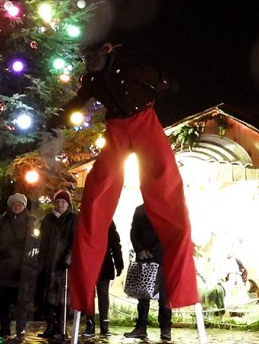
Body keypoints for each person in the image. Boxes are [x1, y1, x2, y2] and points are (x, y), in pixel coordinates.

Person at [55, 43, 198, 326]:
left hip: (144, 122)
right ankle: (83, 299)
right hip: (117, 131)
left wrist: (160, 82)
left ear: (107, 51)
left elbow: (163, 84)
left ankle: (181, 292)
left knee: (165, 184)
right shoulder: (93, 80)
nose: (89, 62)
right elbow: (77, 102)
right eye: (86, 58)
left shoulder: (131, 67)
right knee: (98, 194)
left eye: (94, 56)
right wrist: (56, 121)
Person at [0, 192, 38, 339]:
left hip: (21, 268)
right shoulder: (2, 221)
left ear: (24, 206)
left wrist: (29, 258)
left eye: (20, 204)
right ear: (11, 206)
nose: (17, 207)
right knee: (3, 300)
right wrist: (0, 250)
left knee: (20, 300)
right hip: (3, 267)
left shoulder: (30, 221)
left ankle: (20, 328)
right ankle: (4, 328)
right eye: (15, 204)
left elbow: (34, 241)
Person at [124, 204, 171, 341]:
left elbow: (166, 233)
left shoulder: (165, 209)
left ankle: (165, 328)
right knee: (143, 294)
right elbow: (134, 232)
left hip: (160, 258)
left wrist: (153, 251)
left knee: (164, 296)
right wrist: (140, 250)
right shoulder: (140, 210)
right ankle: (141, 327)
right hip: (143, 257)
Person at [37, 189, 76, 340]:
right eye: (58, 201)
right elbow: (42, 240)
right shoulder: (48, 219)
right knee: (48, 297)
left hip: (62, 264)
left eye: (63, 202)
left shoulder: (72, 219)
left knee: (62, 298)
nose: (60, 204)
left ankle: (61, 327)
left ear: (68, 204)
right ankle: (50, 326)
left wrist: (68, 259)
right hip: (48, 262)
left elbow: (74, 241)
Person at [90, 220, 124, 336]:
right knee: (89, 294)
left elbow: (115, 242)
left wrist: (119, 263)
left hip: (104, 262)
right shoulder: (87, 218)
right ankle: (90, 323)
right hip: (89, 262)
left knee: (103, 294)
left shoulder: (108, 220)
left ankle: (104, 324)